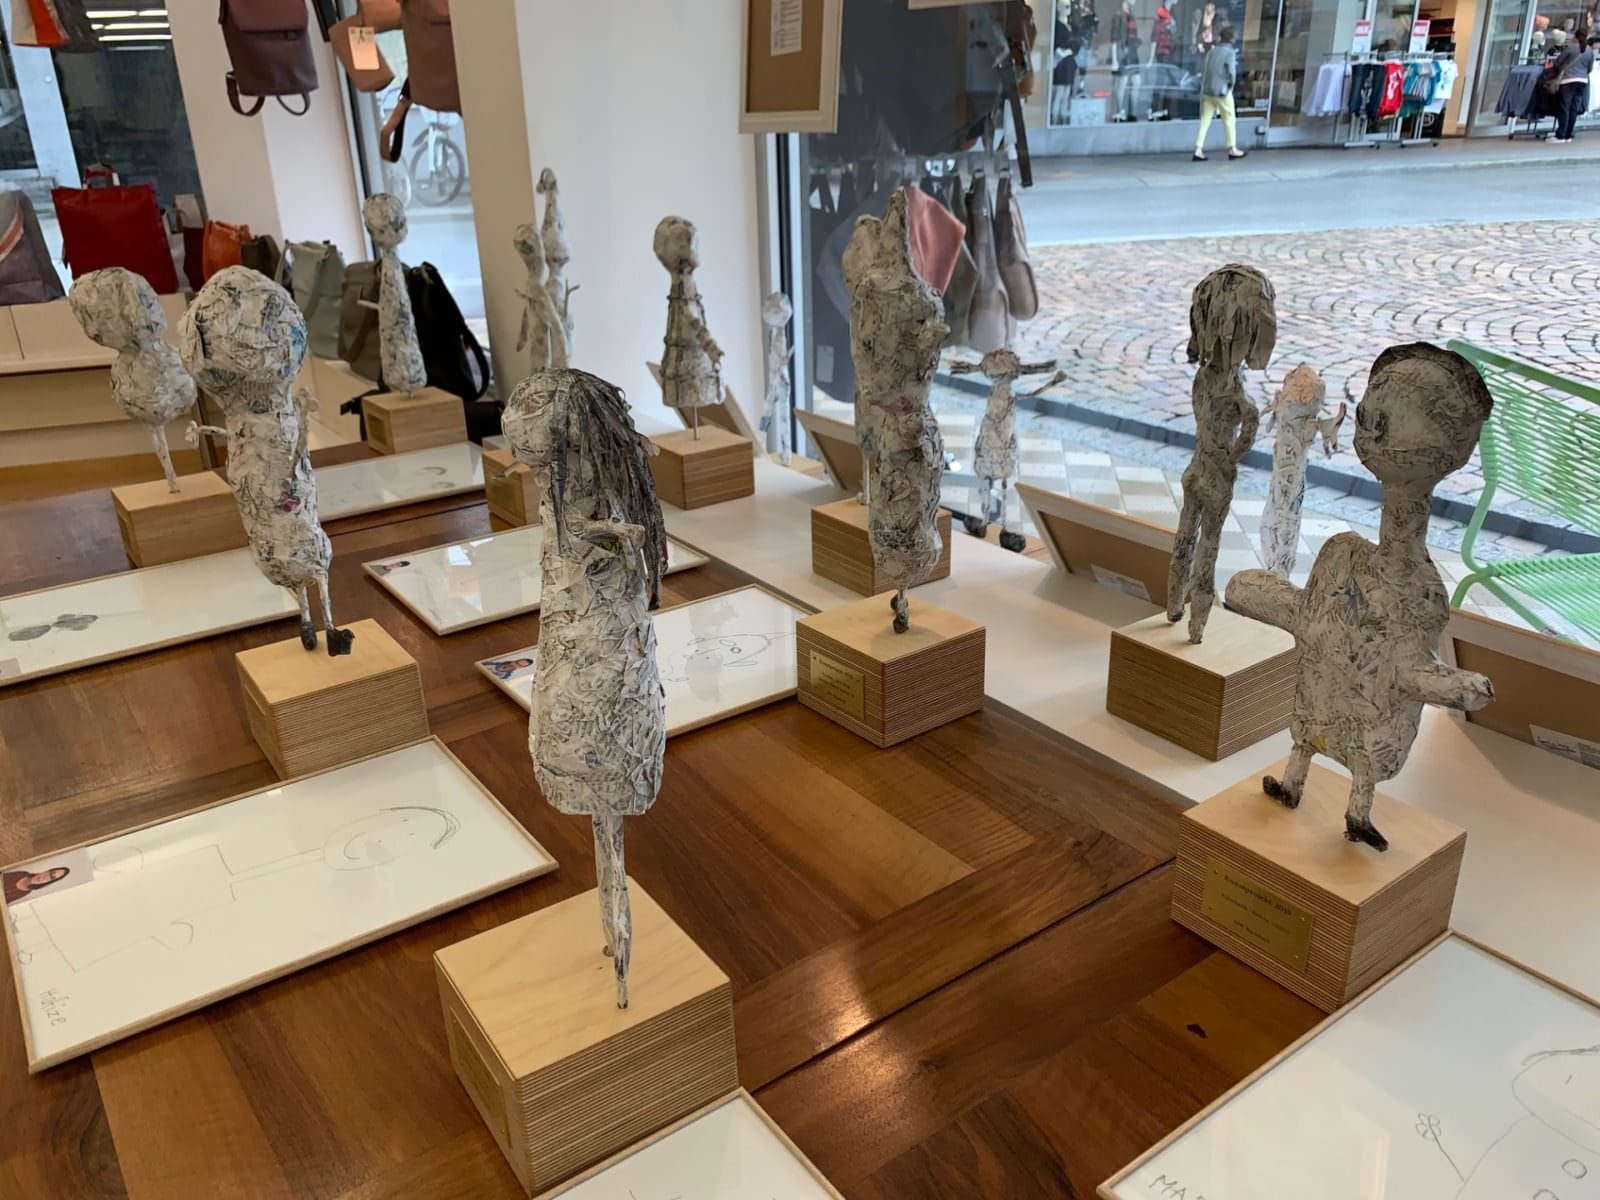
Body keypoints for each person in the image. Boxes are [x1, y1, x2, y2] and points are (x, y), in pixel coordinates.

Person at [1194, 26, 1247, 161]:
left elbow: (1206, 70)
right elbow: (1231, 73)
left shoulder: (1212, 51)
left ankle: (1198, 149)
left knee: (1205, 120)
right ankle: (1232, 149)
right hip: (1222, 91)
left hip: (1208, 91)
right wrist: (1230, 87)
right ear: (1232, 39)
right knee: (1229, 119)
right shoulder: (1229, 53)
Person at [1551, 32, 1597, 142]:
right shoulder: (1589, 51)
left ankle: (1560, 135)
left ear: (1576, 37)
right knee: (1574, 108)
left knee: (1564, 107)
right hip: (1582, 81)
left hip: (1568, 80)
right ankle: (1568, 134)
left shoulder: (1570, 48)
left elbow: (1557, 63)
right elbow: (1589, 68)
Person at [3, 867, 69, 904]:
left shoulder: (25, 892)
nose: (46, 877)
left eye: (52, 878)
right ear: (47, 871)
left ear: (49, 882)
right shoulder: (23, 873)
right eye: (51, 873)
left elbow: (4, 903)